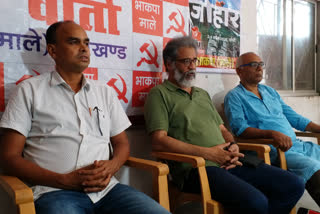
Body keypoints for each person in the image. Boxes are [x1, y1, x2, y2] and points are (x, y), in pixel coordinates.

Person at [0, 20, 170, 214]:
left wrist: (111, 167)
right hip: (55, 192)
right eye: (74, 42)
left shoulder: (104, 92)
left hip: (108, 191)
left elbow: (122, 143)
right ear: (53, 51)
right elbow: (9, 157)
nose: (83, 49)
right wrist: (63, 180)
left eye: (86, 43)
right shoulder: (29, 90)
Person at [144, 36, 305, 214]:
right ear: (169, 64)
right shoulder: (159, 94)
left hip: (230, 159)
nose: (192, 66)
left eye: (194, 61)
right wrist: (209, 153)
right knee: (256, 201)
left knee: (293, 184)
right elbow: (159, 141)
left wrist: (233, 145)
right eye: (186, 61)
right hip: (197, 167)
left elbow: (222, 129)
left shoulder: (202, 94)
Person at [224, 51, 320, 207]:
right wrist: (272, 134)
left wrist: (318, 128)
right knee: (313, 168)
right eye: (253, 65)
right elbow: (239, 129)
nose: (259, 69)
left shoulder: (270, 92)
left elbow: (294, 118)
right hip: (275, 151)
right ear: (239, 71)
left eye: (261, 65)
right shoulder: (234, 97)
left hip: (297, 145)